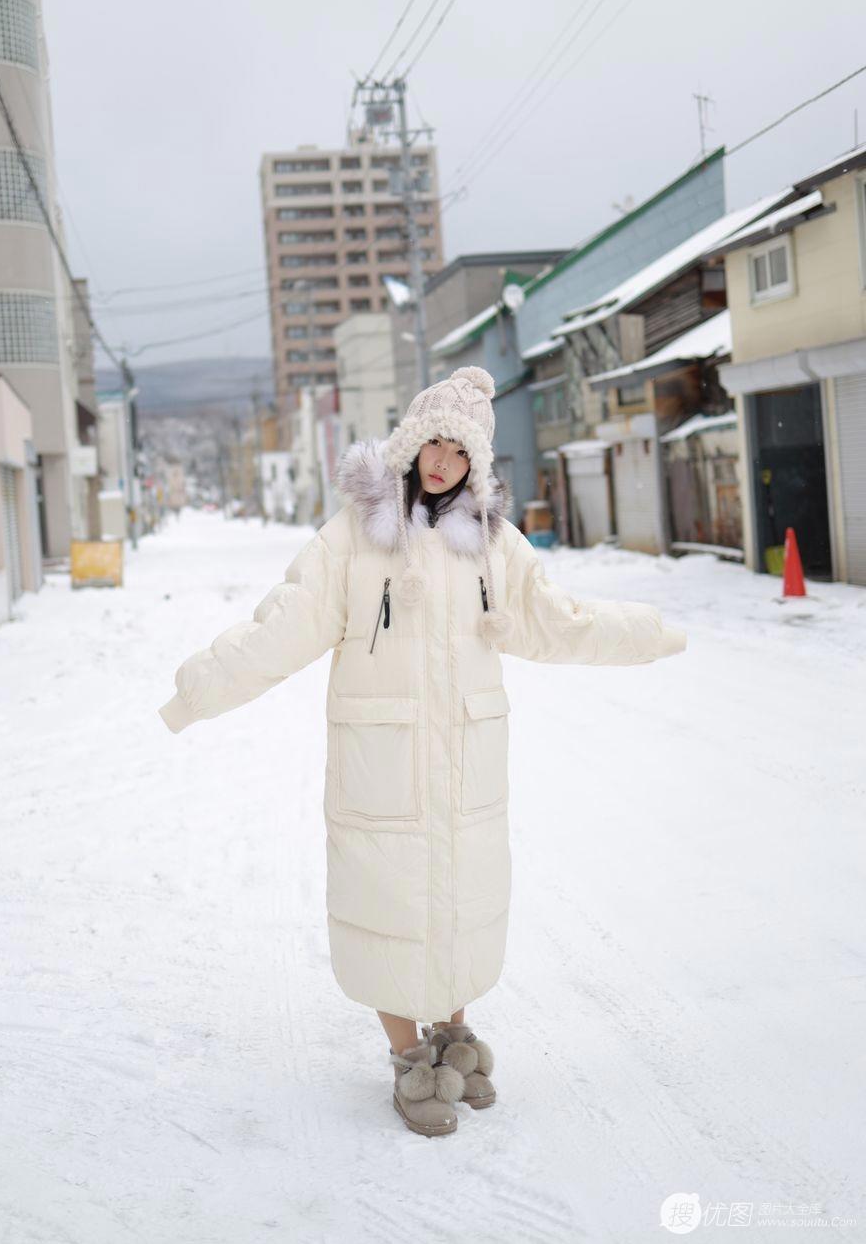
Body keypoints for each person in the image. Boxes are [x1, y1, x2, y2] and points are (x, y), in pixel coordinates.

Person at [158, 366, 687, 1137]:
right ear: (410, 443)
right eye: (431, 440)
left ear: (477, 463)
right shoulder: (354, 537)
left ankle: (452, 1036)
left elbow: (560, 619)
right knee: (391, 906)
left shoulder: (494, 546)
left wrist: (648, 633)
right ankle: (409, 1058)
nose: (442, 460)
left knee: (460, 906)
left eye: (458, 448)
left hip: (467, 766)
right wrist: (198, 689)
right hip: (384, 771)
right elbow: (282, 627)